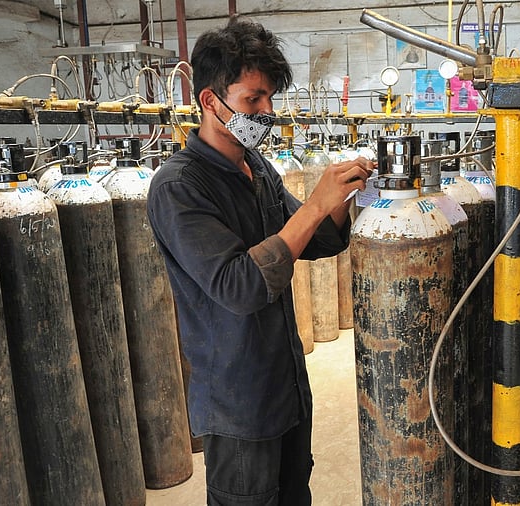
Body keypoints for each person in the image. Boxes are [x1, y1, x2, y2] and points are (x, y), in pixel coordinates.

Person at [147, 16, 373, 505]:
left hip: (285, 384)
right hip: (238, 403)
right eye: (253, 99)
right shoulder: (179, 187)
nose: (266, 111)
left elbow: (316, 240)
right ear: (211, 100)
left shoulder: (257, 167)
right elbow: (239, 286)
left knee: (294, 493)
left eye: (270, 97)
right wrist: (315, 202)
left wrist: (343, 194)